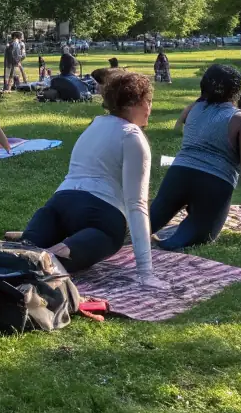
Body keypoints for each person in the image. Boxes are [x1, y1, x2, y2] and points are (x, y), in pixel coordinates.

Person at [11, 71, 163, 286]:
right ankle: (48, 258)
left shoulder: (95, 125)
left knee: (18, 256)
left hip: (58, 205)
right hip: (100, 217)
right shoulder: (132, 136)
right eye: (148, 102)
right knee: (46, 265)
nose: (150, 109)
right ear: (134, 103)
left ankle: (11, 261)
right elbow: (137, 205)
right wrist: (146, 272)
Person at [150, 65, 241, 249]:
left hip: (177, 176)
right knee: (186, 240)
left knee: (141, 228)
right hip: (214, 184)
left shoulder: (193, 109)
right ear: (238, 92)